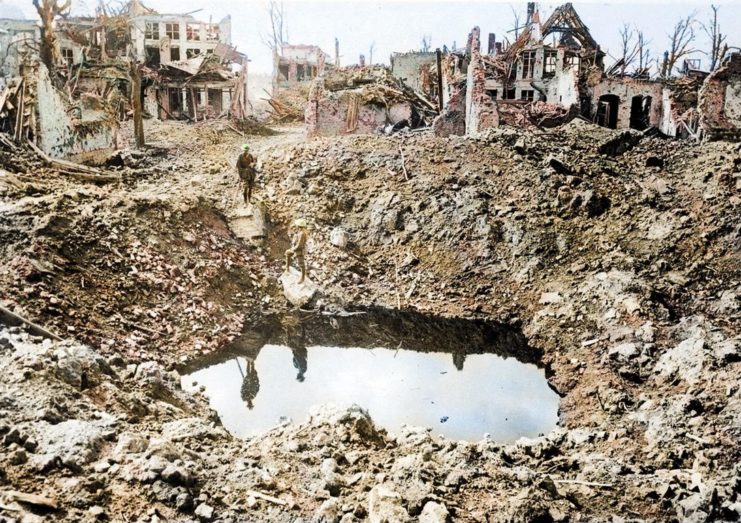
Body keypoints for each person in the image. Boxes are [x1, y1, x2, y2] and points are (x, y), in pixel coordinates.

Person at [285, 218, 308, 284]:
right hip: (295, 249)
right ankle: (287, 268)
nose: (295, 226)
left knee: (301, 264)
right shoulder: (299, 231)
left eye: (297, 225)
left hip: (299, 250)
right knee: (287, 253)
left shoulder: (302, 234)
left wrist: (293, 249)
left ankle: (302, 278)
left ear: (299, 226)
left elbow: (299, 245)